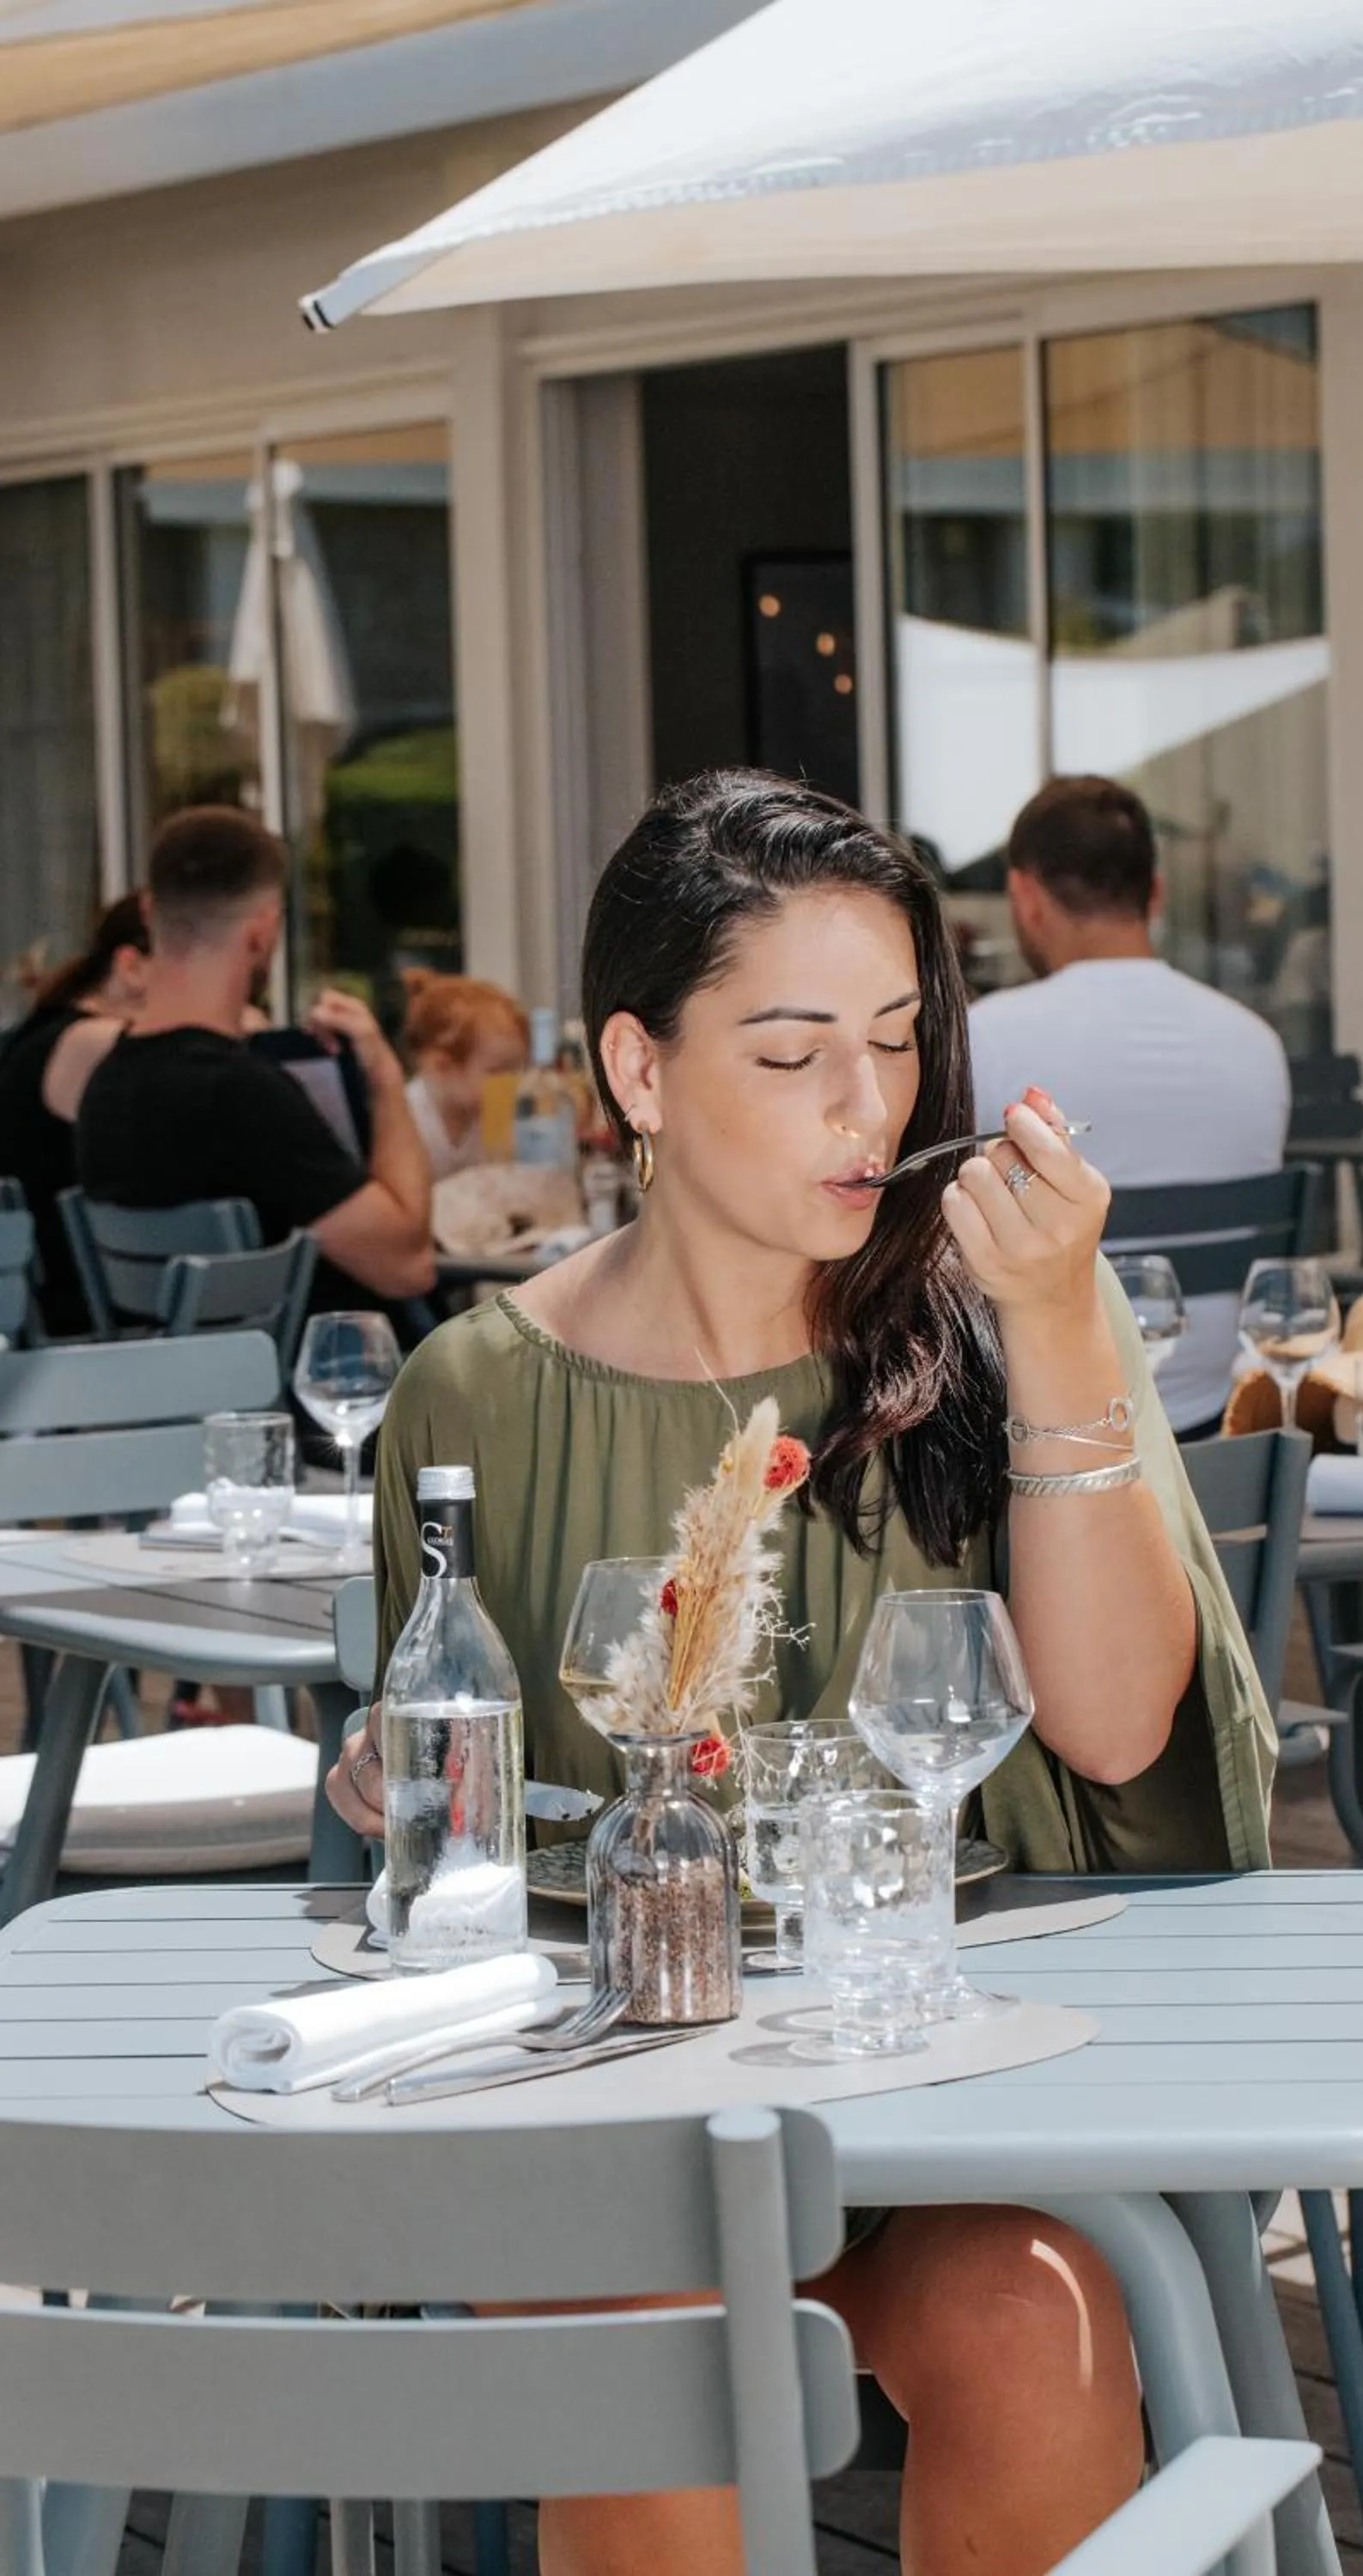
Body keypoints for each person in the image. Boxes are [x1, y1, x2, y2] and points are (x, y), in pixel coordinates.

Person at [329, 771, 1274, 2576]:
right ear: (638, 1073)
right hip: (603, 2115)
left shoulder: (992, 1328)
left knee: (1036, 2319)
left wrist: (1065, 1323)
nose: (868, 1107)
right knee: (660, 2327)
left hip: (942, 2099)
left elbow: (1109, 1726)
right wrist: (388, 1776)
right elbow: (433, 1767)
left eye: (900, 1041)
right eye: (791, 1054)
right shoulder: (473, 1392)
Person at [969, 775, 1292, 1439]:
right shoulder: (1256, 1044)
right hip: (1218, 1424)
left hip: (1048, 1429)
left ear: (1026, 897)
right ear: (1156, 892)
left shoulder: (985, 1036)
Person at [76, 806, 435, 1308]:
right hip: (302, 1376)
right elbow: (408, 1267)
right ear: (261, 934)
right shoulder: (238, 1094)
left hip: (167, 1375)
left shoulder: (105, 1085)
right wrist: (385, 1077)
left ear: (148, 910)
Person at [0, 895, 152, 1334]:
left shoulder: (38, 1032)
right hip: (81, 1315)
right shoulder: (101, 1041)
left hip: (34, 1307)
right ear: (130, 966)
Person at [400, 970, 531, 1178]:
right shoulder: (407, 1122)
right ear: (440, 1067)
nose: (513, 1082)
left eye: (517, 1069)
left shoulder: (494, 1116)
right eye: (497, 1070)